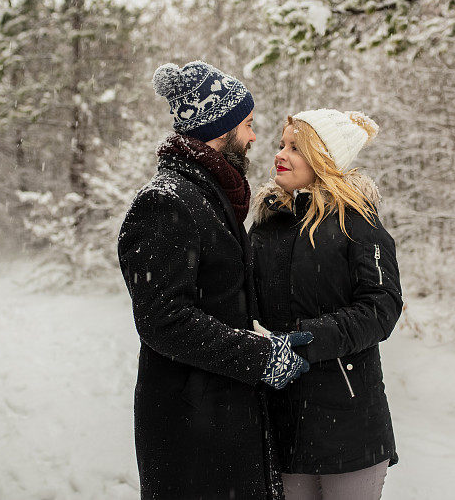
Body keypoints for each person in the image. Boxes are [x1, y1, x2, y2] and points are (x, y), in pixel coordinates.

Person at [118, 61, 312, 500]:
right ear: (218, 128)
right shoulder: (165, 203)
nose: (254, 136)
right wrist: (258, 355)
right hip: (192, 422)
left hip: (222, 411)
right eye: (247, 124)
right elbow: (163, 321)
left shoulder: (206, 195)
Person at [249, 109, 403, 500]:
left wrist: (305, 340)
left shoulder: (358, 221)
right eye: (281, 145)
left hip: (350, 420)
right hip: (278, 418)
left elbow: (381, 306)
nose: (280, 154)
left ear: (323, 157)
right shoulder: (266, 225)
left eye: (295, 147)